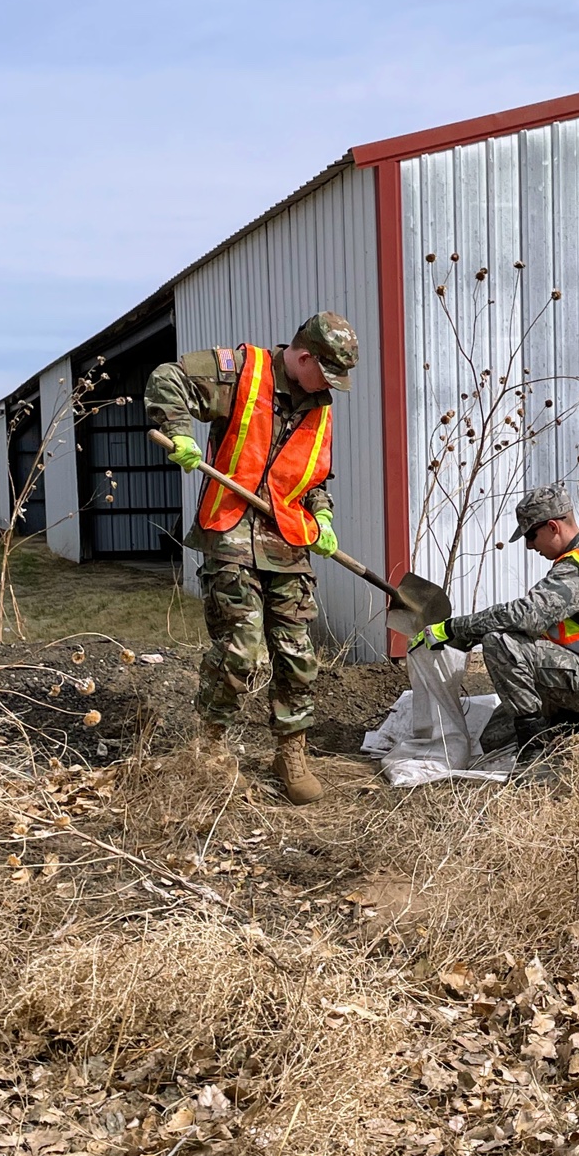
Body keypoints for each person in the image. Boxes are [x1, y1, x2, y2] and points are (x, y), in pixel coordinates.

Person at [144, 312, 357, 805]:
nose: (329, 387)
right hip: (231, 530)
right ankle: (210, 748)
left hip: (289, 540)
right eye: (326, 373)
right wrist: (179, 431)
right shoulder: (243, 372)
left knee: (298, 655)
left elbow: (313, 479)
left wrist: (323, 516)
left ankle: (290, 753)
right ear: (304, 357)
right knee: (240, 649)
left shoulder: (319, 407)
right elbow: (167, 377)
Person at [415, 484, 579, 760]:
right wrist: (467, 636)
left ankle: (535, 751)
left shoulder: (577, 571)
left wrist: (454, 628)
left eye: (531, 535)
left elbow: (525, 615)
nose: (530, 545)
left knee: (500, 643)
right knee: (490, 740)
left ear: (553, 527)